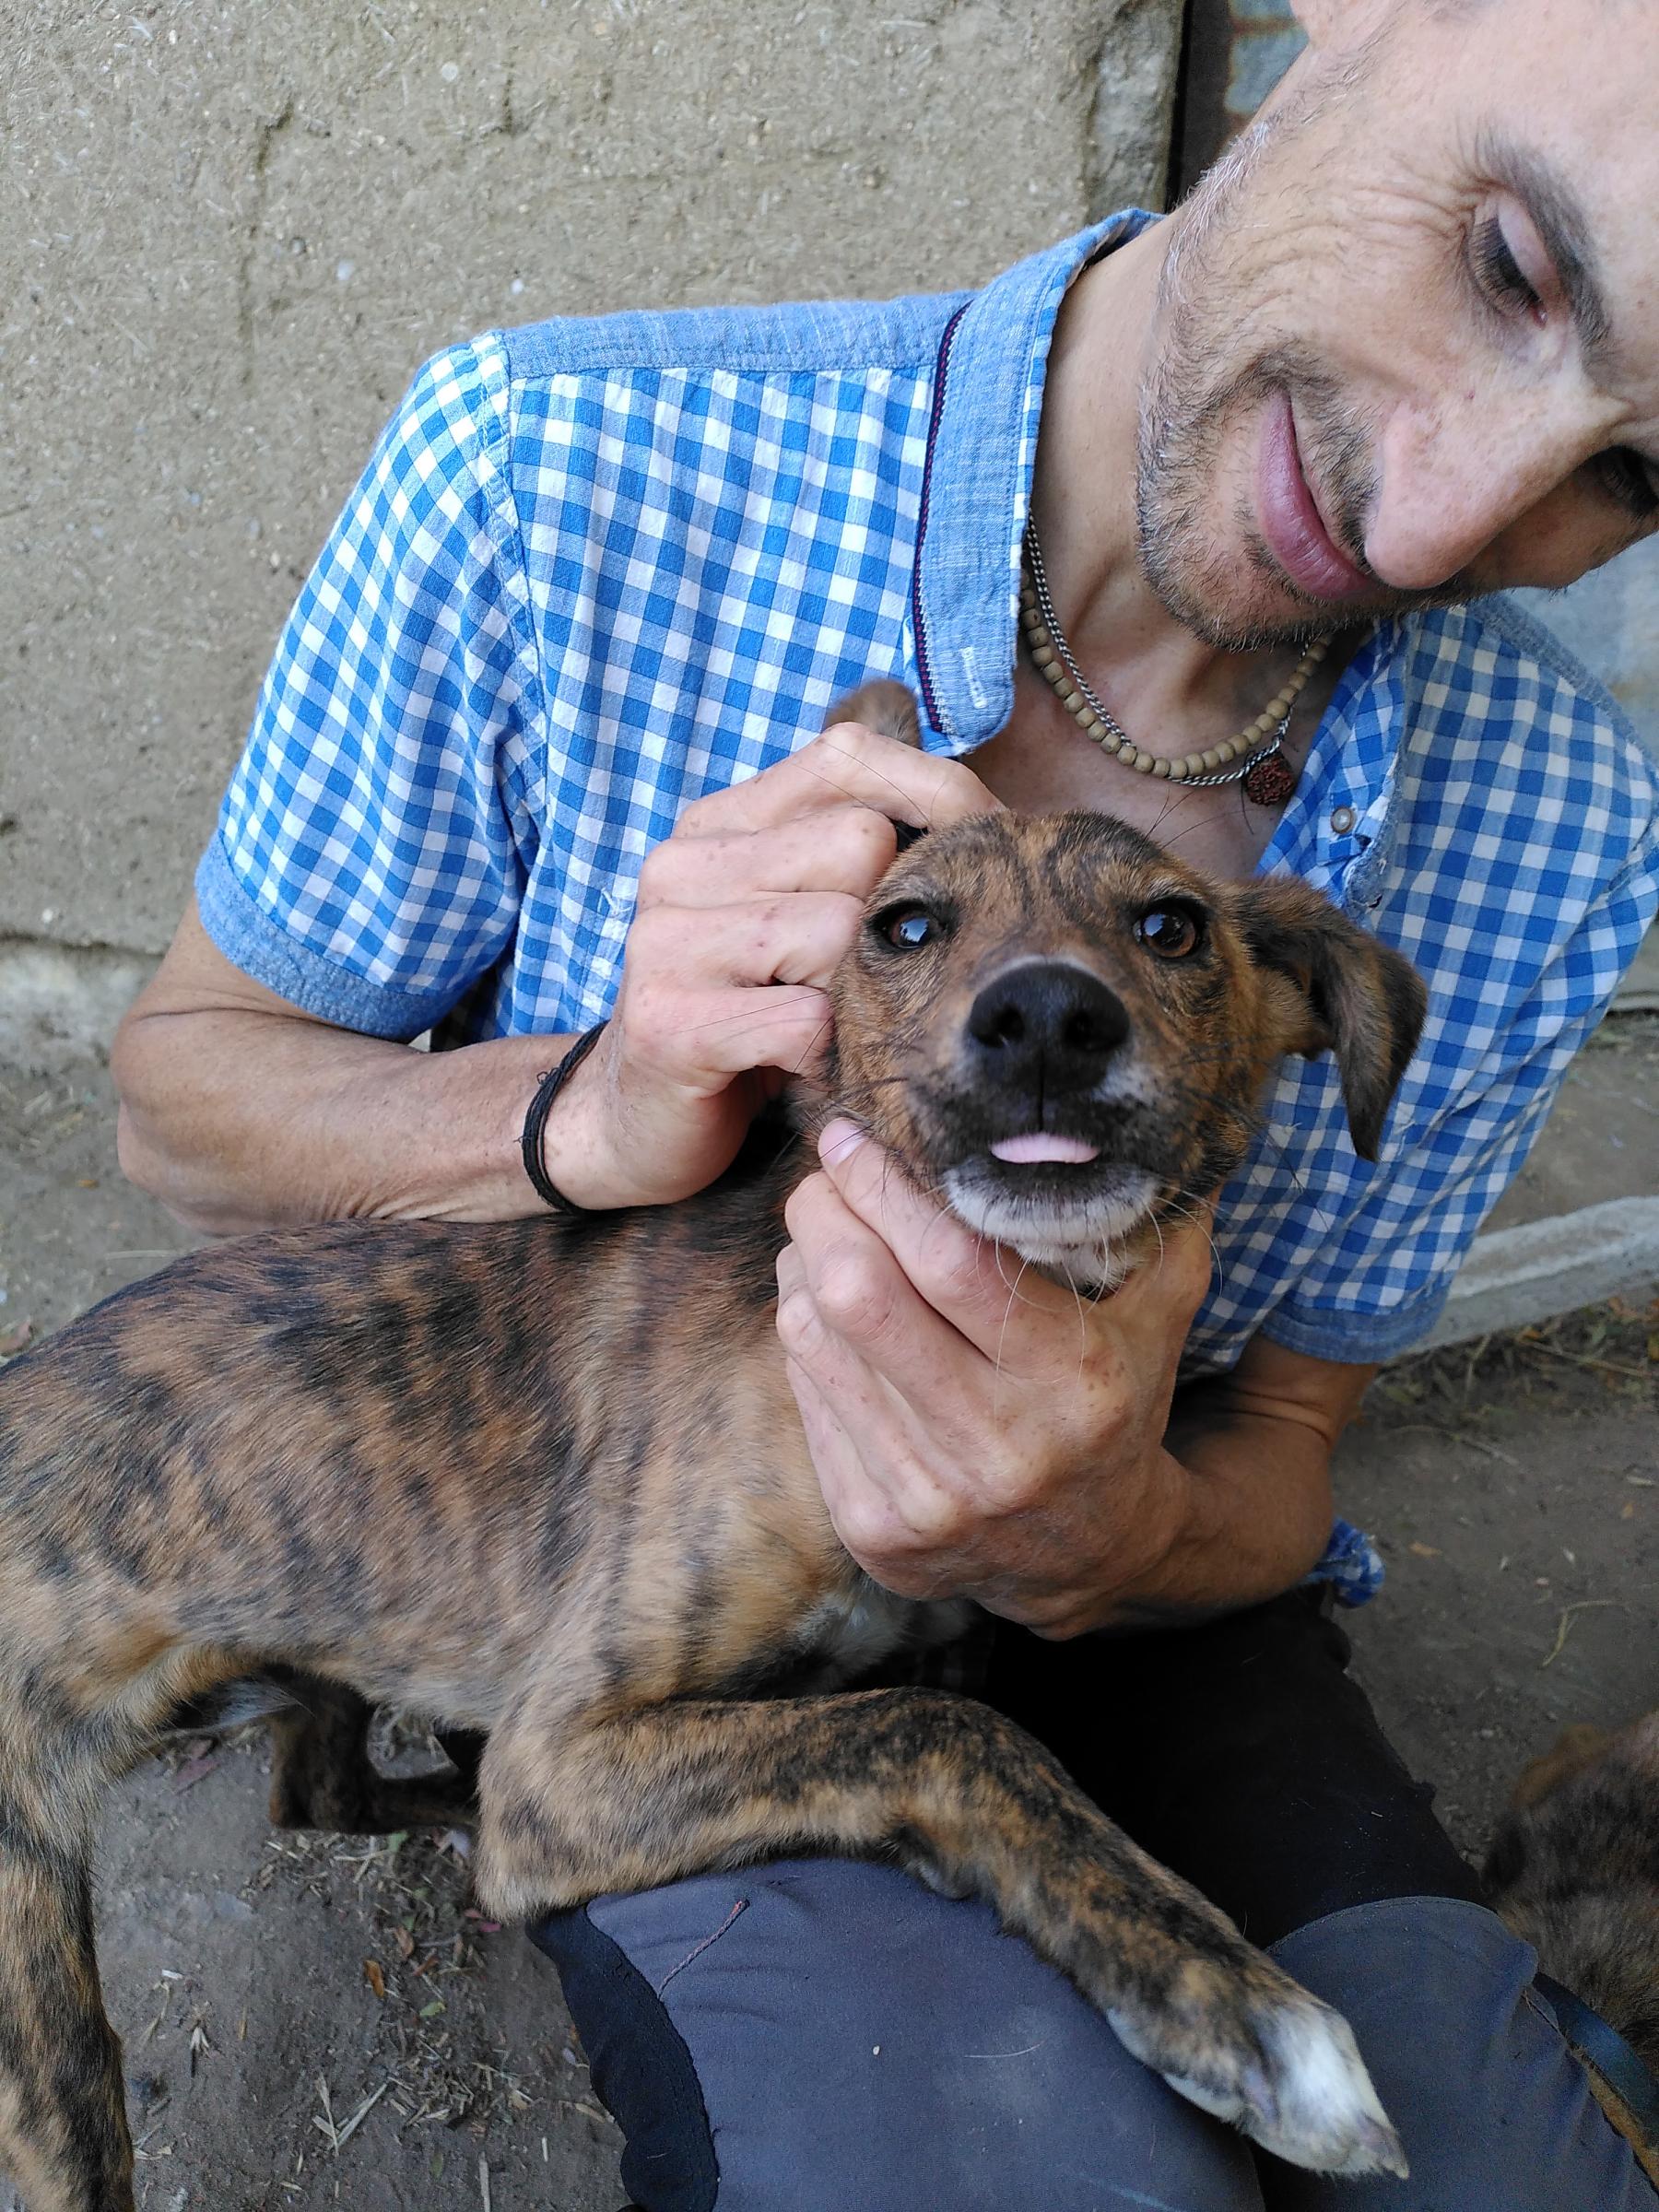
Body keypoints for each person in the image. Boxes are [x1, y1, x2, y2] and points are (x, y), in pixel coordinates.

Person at [112, 0, 1659, 2202]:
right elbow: (181, 1108)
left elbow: (1289, 1449)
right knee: (1026, 2167)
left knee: (1496, 2172)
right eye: (1509, 263)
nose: (1444, 516)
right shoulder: (550, 470)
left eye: (1636, 478)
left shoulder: (1562, 816)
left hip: (1147, 1600)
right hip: (691, 1577)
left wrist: (1115, 1533)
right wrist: (593, 1112)